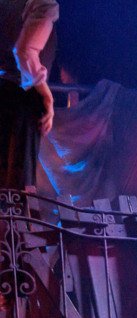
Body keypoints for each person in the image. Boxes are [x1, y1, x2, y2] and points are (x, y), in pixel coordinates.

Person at [0, 0, 58, 189]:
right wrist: (46, 95)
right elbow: (24, 52)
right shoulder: (42, 4)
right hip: (23, 98)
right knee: (19, 182)